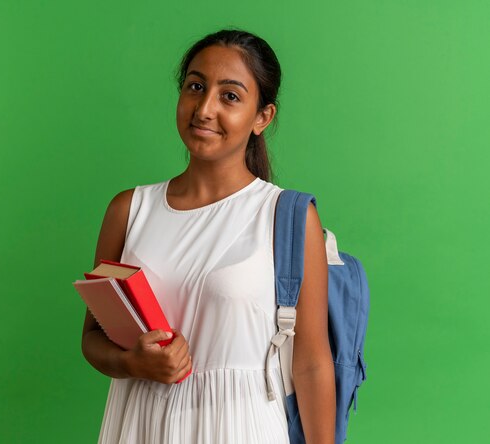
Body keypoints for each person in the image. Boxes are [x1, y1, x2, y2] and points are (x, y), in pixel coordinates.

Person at [81, 29, 335, 444]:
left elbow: (311, 363)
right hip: (140, 426)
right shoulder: (129, 210)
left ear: (262, 117)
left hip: (242, 428)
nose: (204, 109)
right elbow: (92, 339)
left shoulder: (287, 216)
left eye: (230, 96)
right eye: (195, 87)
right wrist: (134, 363)